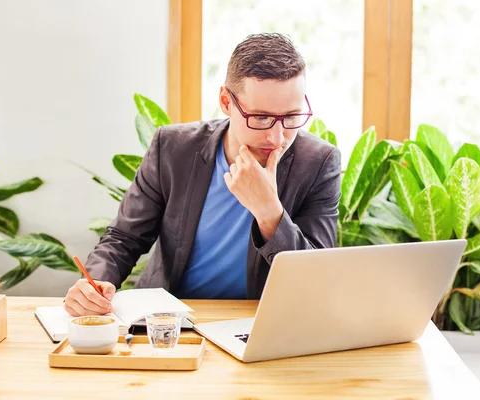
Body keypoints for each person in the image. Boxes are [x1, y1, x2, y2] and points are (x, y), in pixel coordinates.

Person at [64, 33, 342, 317]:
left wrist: (269, 212)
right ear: (226, 101)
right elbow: (125, 237)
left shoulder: (318, 163)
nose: (277, 136)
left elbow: (314, 278)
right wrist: (97, 281)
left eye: (292, 117)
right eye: (260, 117)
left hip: (257, 322)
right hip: (168, 320)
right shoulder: (173, 148)